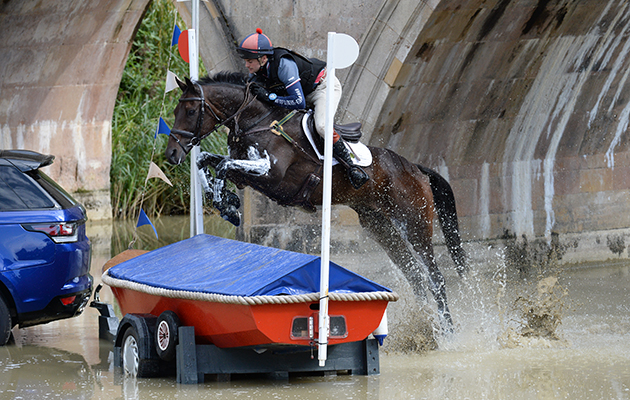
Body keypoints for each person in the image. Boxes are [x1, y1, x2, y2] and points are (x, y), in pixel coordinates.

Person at [236, 28, 369, 189]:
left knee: (321, 126)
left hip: (322, 89)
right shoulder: (257, 72)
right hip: (300, 93)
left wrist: (270, 97)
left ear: (263, 58)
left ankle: (352, 167)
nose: (246, 64)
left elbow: (298, 102)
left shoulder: (283, 64)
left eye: (250, 61)